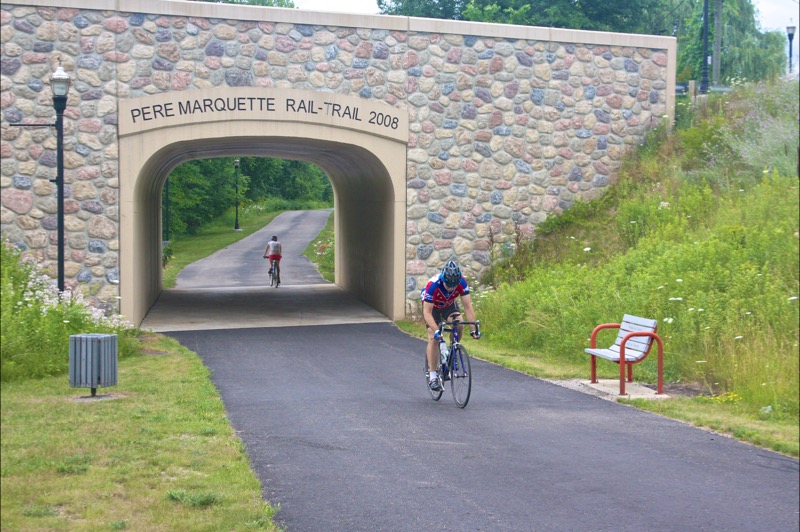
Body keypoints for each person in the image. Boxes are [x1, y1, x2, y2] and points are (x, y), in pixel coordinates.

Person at [420, 259, 480, 392]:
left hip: (448, 304)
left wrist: (473, 329)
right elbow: (427, 313)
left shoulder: (462, 282)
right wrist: (436, 331)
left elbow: (468, 307)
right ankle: (433, 376)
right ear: (443, 279)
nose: (451, 288)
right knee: (433, 337)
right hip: (432, 308)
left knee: (459, 324)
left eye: (454, 285)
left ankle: (453, 350)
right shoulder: (433, 285)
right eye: (448, 285)